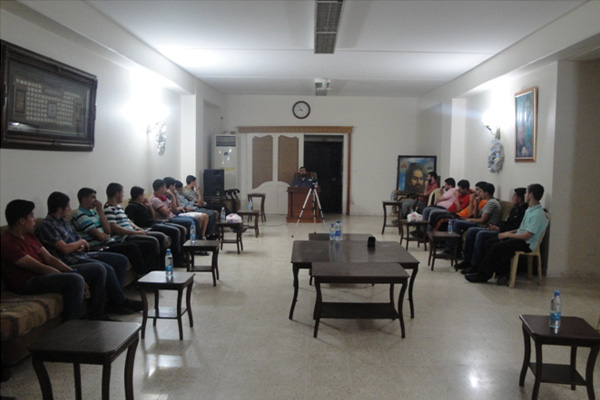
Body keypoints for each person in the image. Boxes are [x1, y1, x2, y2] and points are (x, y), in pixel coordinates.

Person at [37, 192, 143, 314]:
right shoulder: (47, 225)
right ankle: (118, 302)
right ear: (60, 209)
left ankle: (113, 301)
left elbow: (80, 241)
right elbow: (65, 249)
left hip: (81, 254)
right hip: (69, 261)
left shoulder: (65, 222)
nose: (70, 209)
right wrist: (79, 243)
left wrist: (79, 244)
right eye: (68, 206)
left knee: (121, 260)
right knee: (104, 268)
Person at [1, 200, 108, 320]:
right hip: (27, 282)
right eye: (31, 216)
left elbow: (50, 258)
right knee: (75, 280)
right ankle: (73, 325)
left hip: (43, 275)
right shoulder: (7, 242)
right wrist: (67, 275)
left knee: (97, 269)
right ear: (22, 221)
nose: (34, 219)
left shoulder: (29, 236)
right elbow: (39, 267)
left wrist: (72, 271)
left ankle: (97, 315)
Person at [465, 184, 548, 284]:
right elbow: (521, 229)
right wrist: (508, 232)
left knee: (498, 246)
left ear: (531, 195)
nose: (524, 195)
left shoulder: (537, 214)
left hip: (527, 243)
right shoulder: (530, 209)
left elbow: (526, 236)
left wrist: (507, 235)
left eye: (526, 192)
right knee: (489, 242)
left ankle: (483, 275)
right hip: (520, 237)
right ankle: (501, 273)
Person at [72, 187, 150, 276]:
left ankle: (145, 274)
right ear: (84, 199)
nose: (96, 201)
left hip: (109, 242)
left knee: (143, 244)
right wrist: (105, 235)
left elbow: (108, 230)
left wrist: (100, 211)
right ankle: (142, 276)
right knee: (132, 247)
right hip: (99, 246)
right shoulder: (80, 215)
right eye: (93, 197)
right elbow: (100, 237)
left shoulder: (94, 213)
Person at [457, 187, 528, 274]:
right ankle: (467, 260)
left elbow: (516, 227)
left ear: (520, 198)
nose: (512, 197)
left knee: (481, 234)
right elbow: (506, 222)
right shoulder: (514, 208)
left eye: (514, 196)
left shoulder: (524, 211)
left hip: (508, 232)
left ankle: (476, 265)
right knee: (471, 231)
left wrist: (499, 228)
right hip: (500, 228)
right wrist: (496, 226)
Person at [104, 182, 166, 271]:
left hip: (133, 232)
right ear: (117, 194)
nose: (123, 195)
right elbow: (114, 228)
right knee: (152, 241)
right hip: (125, 237)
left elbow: (128, 220)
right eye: (122, 192)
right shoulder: (108, 209)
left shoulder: (119, 207)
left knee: (160, 236)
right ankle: (150, 271)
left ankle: (161, 267)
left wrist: (137, 228)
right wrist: (135, 232)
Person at [125, 186, 187, 268]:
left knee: (181, 228)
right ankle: (176, 260)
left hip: (155, 222)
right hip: (148, 226)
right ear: (139, 196)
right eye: (143, 195)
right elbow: (131, 222)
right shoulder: (131, 207)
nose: (144, 197)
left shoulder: (142, 205)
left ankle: (182, 256)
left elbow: (153, 217)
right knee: (175, 231)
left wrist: (149, 206)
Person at [443, 182, 502, 255]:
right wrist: (476, 203)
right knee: (453, 221)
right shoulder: (488, 202)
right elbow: (476, 217)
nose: (479, 194)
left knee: (457, 223)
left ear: (486, 193)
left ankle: (453, 251)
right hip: (480, 223)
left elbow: (482, 221)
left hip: (486, 226)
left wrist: (467, 219)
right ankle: (450, 249)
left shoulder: (491, 203)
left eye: (481, 192)